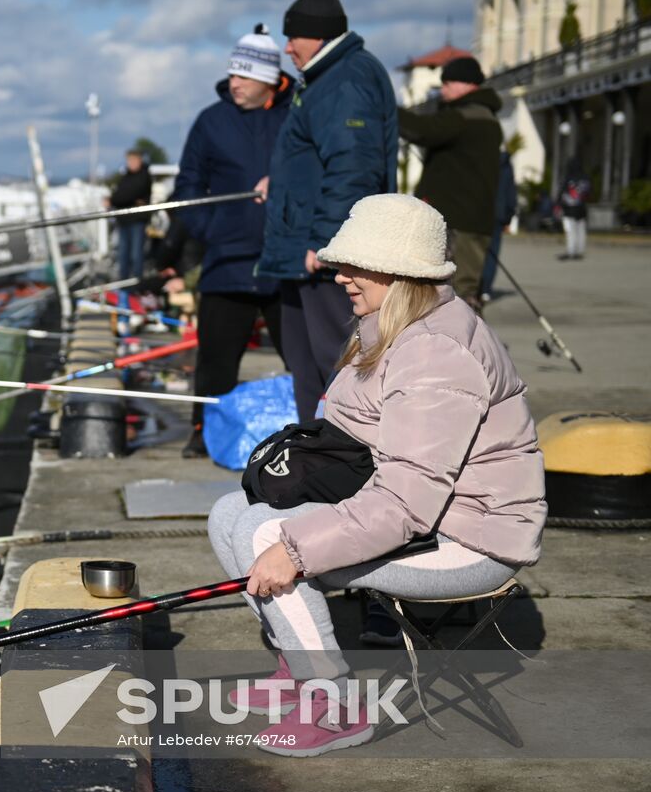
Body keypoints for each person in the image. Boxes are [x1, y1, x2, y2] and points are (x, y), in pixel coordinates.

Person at [206, 194, 546, 756]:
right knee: (230, 515)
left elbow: (407, 503)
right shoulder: (390, 325)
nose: (339, 276)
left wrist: (298, 547)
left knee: (269, 536)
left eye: (355, 265)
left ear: (400, 272)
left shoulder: (436, 353)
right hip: (425, 515)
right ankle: (299, 668)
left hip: (472, 538)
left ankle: (336, 708)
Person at [255, 0, 398, 423]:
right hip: (301, 251)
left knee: (336, 360)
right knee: (306, 363)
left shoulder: (347, 78)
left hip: (322, 254)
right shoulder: (324, 79)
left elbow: (353, 167)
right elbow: (318, 156)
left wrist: (325, 243)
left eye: (292, 37)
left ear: (316, 37)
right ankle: (311, 456)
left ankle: (344, 460)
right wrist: (277, 181)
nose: (287, 48)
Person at [166, 25, 292, 458]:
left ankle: (322, 433)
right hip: (227, 261)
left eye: (244, 76)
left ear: (270, 79)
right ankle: (202, 432)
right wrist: (210, 230)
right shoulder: (211, 120)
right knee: (215, 361)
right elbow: (186, 187)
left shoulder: (300, 113)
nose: (232, 83)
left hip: (287, 261)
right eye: (232, 74)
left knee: (306, 359)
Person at [397, 56, 503, 313]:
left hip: (460, 222)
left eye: (448, 82)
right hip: (472, 219)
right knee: (459, 292)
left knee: (455, 295)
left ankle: (467, 348)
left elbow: (423, 130)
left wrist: (388, 109)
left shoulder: (468, 116)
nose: (442, 89)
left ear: (468, 84)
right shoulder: (484, 116)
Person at [110, 150, 153, 281]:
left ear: (139, 160)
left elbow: (126, 194)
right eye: (129, 160)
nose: (131, 163)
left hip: (137, 220)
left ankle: (137, 284)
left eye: (134, 160)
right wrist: (121, 199)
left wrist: (117, 199)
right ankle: (124, 284)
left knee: (136, 254)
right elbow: (119, 196)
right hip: (124, 220)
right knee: (123, 255)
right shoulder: (126, 177)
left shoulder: (144, 176)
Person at [481, 149, 518, 301]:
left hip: (480, 212)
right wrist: (508, 215)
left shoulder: (482, 159)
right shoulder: (505, 165)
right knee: (492, 254)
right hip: (497, 214)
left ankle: (475, 287)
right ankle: (485, 289)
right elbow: (511, 193)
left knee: (476, 250)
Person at [558, 158, 592, 260]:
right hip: (581, 208)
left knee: (570, 231)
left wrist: (558, 204)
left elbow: (562, 192)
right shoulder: (586, 178)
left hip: (569, 209)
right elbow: (589, 193)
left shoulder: (569, 178)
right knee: (581, 230)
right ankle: (579, 251)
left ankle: (571, 250)